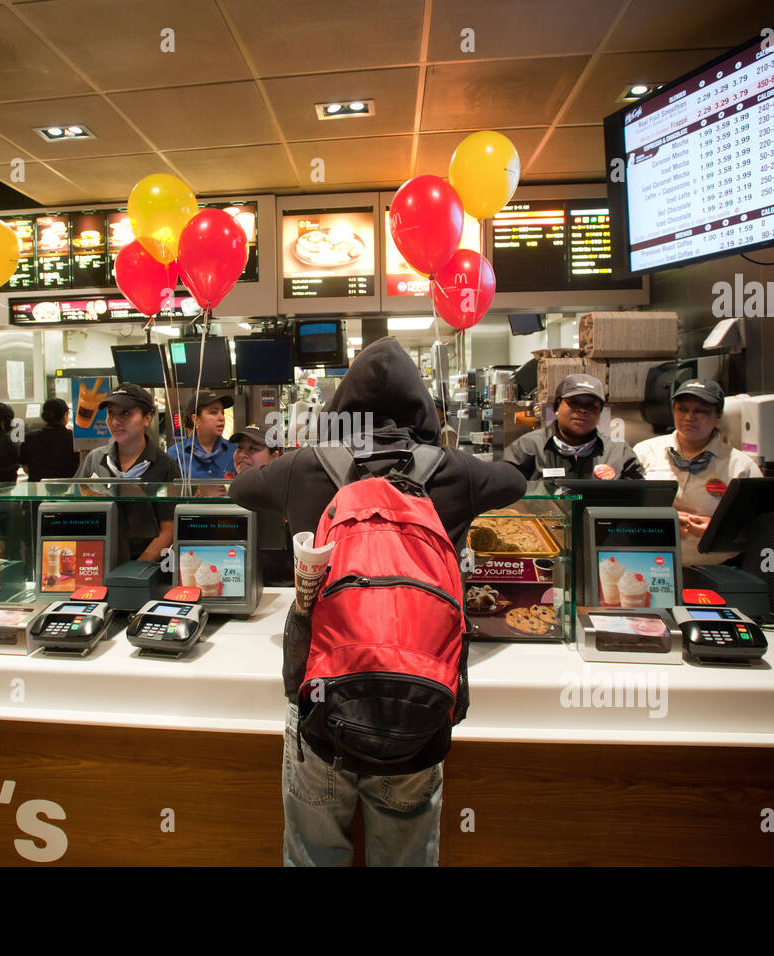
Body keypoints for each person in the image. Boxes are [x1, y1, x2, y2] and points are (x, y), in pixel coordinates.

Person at [230, 337, 526, 867]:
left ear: (338, 409)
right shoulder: (454, 470)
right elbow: (516, 480)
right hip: (419, 703)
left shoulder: (303, 467)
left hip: (319, 701)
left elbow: (240, 489)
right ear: (422, 408)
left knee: (313, 858)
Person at [633, 380, 762, 565]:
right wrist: (661, 518)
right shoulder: (645, 452)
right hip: (650, 565)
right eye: (682, 409)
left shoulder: (741, 466)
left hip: (715, 570)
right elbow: (623, 508)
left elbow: (758, 527)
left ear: (718, 414)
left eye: (701, 410)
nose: (689, 417)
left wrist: (717, 531)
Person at [74, 383, 181, 563]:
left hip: (146, 566)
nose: (115, 422)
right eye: (111, 413)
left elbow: (169, 527)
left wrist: (137, 568)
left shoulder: (164, 465)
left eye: (125, 413)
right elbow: (76, 506)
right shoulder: (95, 459)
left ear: (147, 418)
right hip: (95, 561)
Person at [503, 374, 644, 481]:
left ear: (600, 412)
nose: (582, 410)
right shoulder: (527, 447)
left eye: (591, 405)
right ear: (557, 407)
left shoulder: (619, 453)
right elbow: (502, 494)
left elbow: (637, 501)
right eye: (574, 402)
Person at [228, 424, 290, 586]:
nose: (243, 454)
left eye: (253, 449)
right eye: (240, 448)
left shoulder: (286, 495)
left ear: (275, 457)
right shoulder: (229, 492)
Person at [171, 390, 237, 479]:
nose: (221, 418)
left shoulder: (234, 451)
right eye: (214, 412)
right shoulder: (176, 454)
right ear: (195, 419)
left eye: (222, 413)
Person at [19, 398, 77, 481]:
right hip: (68, 488)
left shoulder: (29, 438)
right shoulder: (74, 439)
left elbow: (25, 468)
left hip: (38, 487)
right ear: (65, 415)